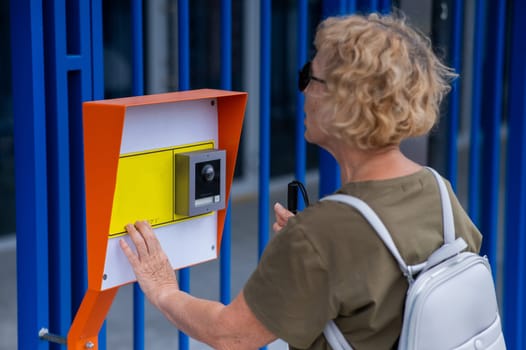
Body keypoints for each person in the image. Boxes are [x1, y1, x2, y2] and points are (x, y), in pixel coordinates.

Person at [120, 12, 482, 349]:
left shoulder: (323, 234)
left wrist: (164, 288)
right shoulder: (437, 190)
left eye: (309, 76)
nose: (303, 91)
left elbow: (230, 334)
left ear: (344, 101)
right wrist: (315, 256)